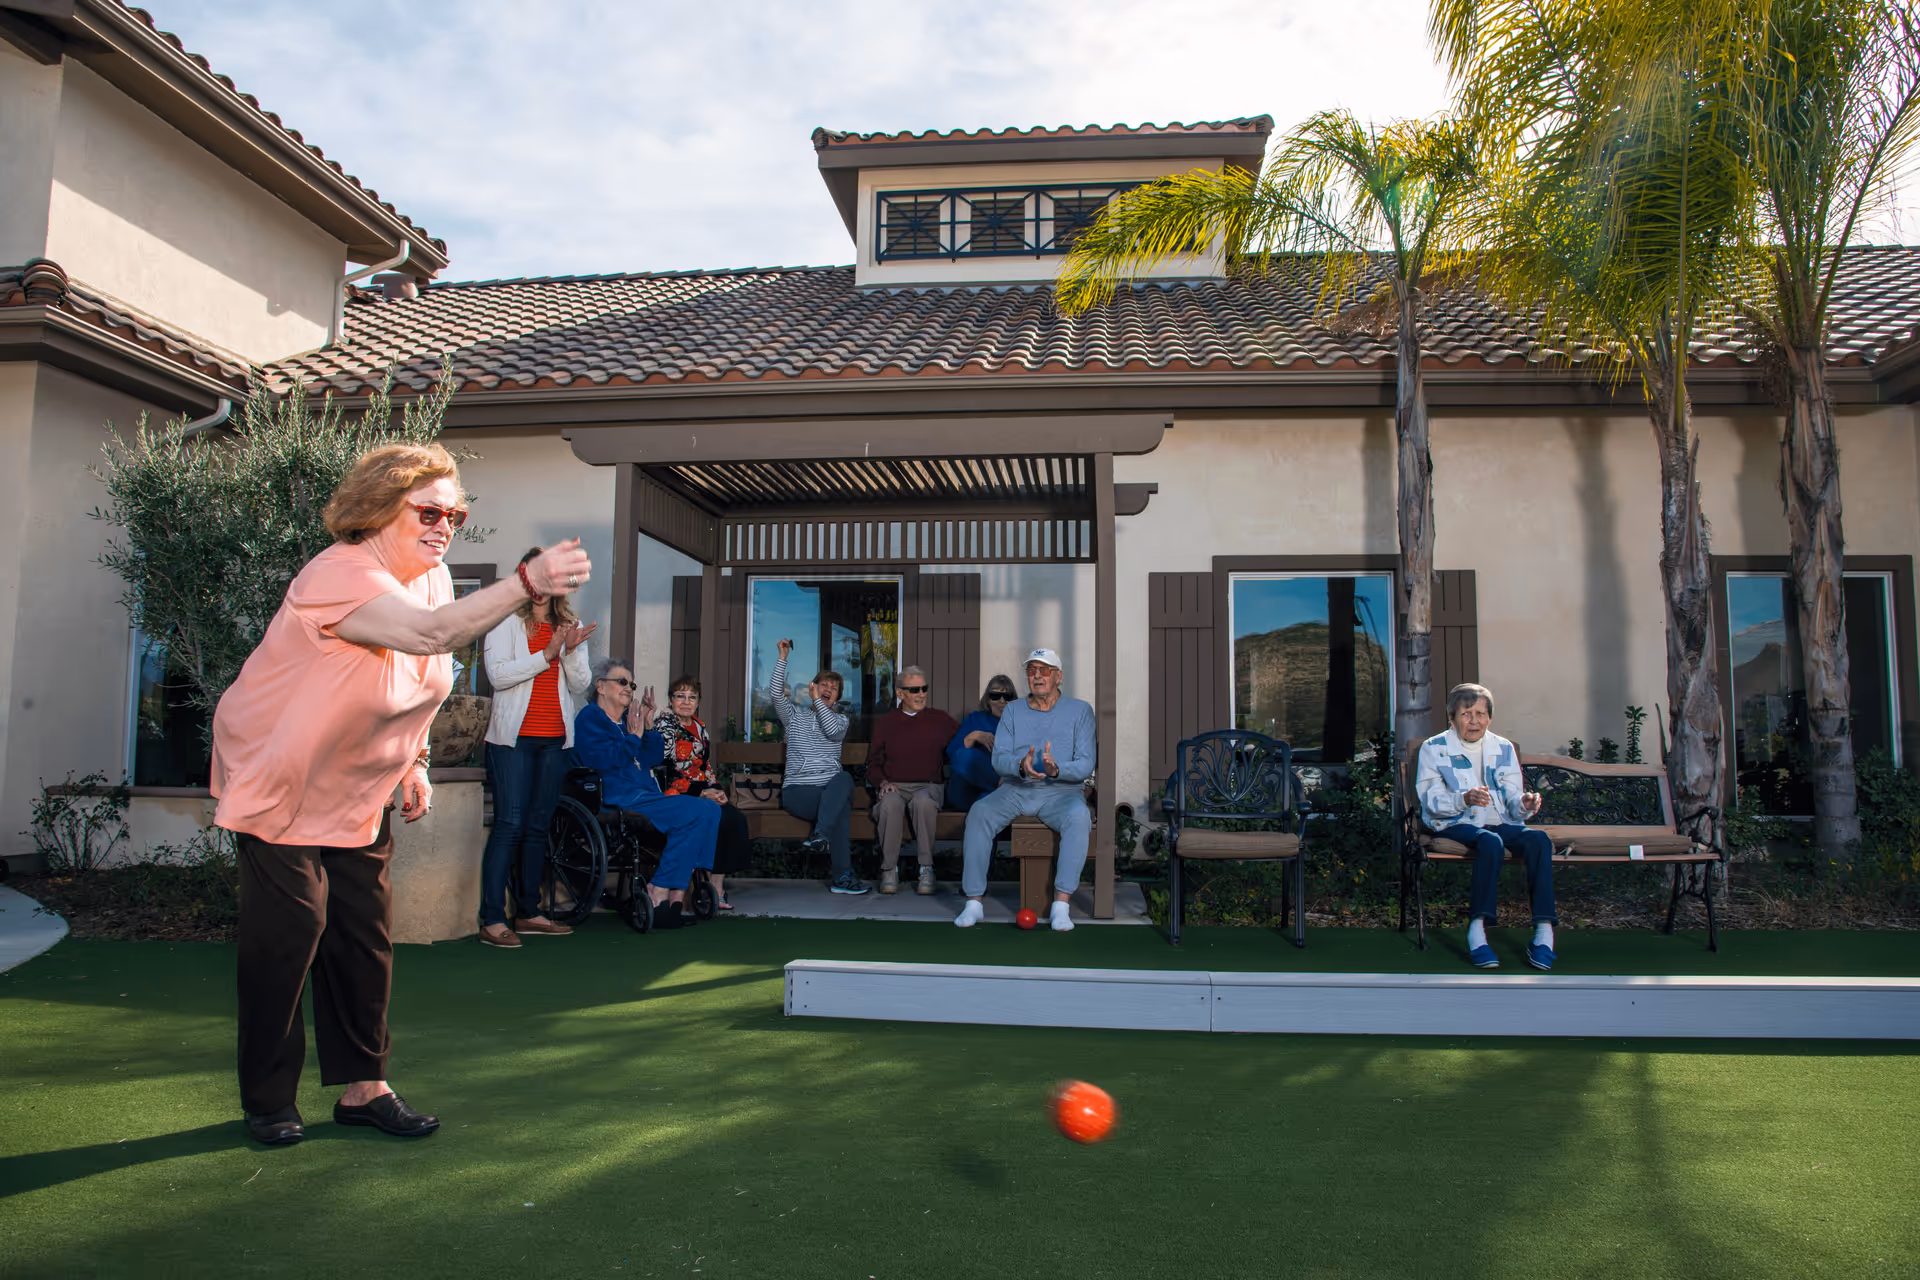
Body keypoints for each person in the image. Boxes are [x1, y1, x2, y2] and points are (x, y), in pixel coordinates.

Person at [211, 441, 593, 1146]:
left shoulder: (436, 579)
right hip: (281, 777)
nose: (444, 525)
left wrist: (415, 759)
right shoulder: (338, 572)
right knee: (291, 934)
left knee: (363, 936)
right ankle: (268, 1100)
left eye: (455, 513)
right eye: (428, 510)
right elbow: (428, 638)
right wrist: (526, 581)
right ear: (379, 507)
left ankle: (365, 1088)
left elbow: (422, 682)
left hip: (359, 782)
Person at [476, 547, 597, 948]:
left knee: (537, 827)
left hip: (554, 742)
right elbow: (498, 675)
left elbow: (580, 686)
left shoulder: (569, 623)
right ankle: (492, 919)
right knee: (509, 825)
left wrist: (573, 650)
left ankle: (528, 913)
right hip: (513, 741)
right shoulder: (504, 620)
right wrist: (545, 654)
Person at [1415, 682, 1555, 971]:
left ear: (1490, 717)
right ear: (1451, 718)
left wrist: (1525, 804)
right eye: (1466, 714)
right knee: (1490, 842)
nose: (1474, 721)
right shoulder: (1434, 748)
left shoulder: (1502, 747)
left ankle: (1544, 935)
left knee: (1538, 840)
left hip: (1499, 821)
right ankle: (1477, 932)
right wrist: (1463, 799)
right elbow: (1430, 799)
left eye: (1481, 713)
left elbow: (1512, 795)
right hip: (1454, 822)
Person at [954, 649, 1096, 932]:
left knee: (1079, 817)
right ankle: (973, 903)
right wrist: (1020, 766)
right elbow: (999, 759)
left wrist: (1057, 770)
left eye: (1045, 670)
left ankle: (1061, 905)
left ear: (1058, 676)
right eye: (1032, 670)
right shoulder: (1014, 710)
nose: (1038, 676)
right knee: (980, 811)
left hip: (1061, 792)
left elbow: (1086, 763)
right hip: (1017, 789)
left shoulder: (1080, 710)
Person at [573, 659, 722, 928]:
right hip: (619, 798)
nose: (629, 688)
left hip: (646, 794)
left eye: (631, 684)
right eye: (622, 682)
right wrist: (633, 737)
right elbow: (603, 762)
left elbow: (653, 757)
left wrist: (649, 728)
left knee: (711, 809)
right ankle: (660, 888)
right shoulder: (590, 718)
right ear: (600, 687)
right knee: (697, 810)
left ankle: (676, 891)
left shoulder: (627, 721)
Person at [770, 639, 867, 895]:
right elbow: (775, 694)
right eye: (823, 684)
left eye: (834, 688)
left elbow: (832, 732)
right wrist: (782, 658)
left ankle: (821, 836)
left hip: (828, 789)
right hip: (798, 792)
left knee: (843, 780)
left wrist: (820, 705)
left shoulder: (841, 720)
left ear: (838, 696)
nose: (828, 689)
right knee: (841, 805)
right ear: (814, 687)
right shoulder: (794, 716)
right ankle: (842, 877)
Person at [653, 675, 750, 910]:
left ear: (698, 701)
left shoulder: (699, 727)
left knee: (734, 818)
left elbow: (705, 767)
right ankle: (688, 887)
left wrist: (717, 790)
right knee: (718, 817)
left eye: (691, 697)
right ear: (671, 700)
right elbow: (665, 769)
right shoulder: (665, 725)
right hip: (676, 792)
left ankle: (717, 887)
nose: (686, 702)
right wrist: (701, 793)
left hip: (702, 791)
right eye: (680, 696)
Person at [867, 664, 959, 895]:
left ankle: (926, 869)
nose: (921, 694)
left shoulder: (940, 719)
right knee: (890, 804)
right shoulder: (886, 723)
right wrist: (883, 783)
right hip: (895, 787)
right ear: (900, 693)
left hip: (929, 787)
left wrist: (980, 733)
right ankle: (889, 870)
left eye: (924, 689)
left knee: (923, 801)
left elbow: (963, 739)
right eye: (914, 690)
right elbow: (873, 764)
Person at [945, 674, 1018, 814]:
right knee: (965, 755)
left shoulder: (1018, 724)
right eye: (996, 696)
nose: (1002, 701)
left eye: (1007, 696)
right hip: (965, 792)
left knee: (985, 804)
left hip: (992, 792)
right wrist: (973, 736)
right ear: (988, 699)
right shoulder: (975, 719)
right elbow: (953, 755)